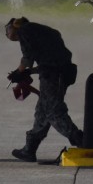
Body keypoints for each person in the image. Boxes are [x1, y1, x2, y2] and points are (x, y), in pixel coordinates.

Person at [5, 17, 83, 162]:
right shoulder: (42, 31)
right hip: (56, 72)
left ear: (15, 26)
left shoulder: (25, 31)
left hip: (54, 75)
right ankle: (30, 149)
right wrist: (29, 72)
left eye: (8, 30)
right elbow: (50, 58)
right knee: (42, 111)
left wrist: (18, 72)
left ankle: (80, 140)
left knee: (53, 110)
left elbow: (27, 58)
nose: (8, 34)